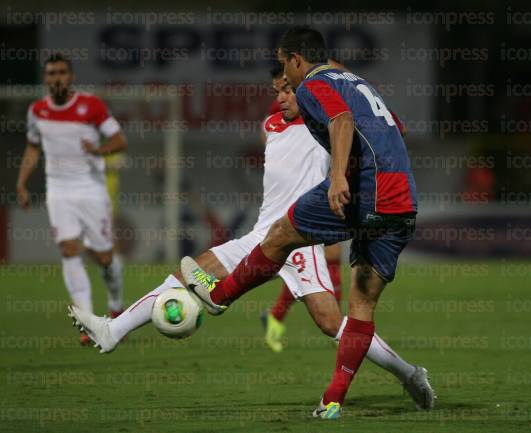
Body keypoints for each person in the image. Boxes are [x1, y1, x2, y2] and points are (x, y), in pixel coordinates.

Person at [68, 63, 433, 411]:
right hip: (263, 235)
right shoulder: (271, 126)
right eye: (278, 92)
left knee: (329, 322)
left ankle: (409, 374)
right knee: (186, 275)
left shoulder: (324, 120)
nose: (284, 97)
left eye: (289, 89)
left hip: (301, 239)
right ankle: (113, 330)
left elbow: (347, 121)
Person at [180, 26, 425, 419]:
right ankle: (332, 401)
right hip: (402, 199)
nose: (283, 78)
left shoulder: (313, 84)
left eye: (283, 65)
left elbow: (342, 121)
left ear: (296, 59)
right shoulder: (357, 82)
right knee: (361, 303)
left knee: (282, 232)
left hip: (364, 191)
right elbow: (397, 126)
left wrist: (341, 175)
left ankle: (220, 295)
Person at [17, 53, 127, 344]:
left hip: (91, 189)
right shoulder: (37, 110)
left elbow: (119, 140)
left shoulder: (91, 105)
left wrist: (97, 151)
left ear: (72, 76)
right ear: (45, 79)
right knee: (68, 250)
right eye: (51, 73)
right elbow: (32, 148)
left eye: (62, 72)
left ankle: (117, 309)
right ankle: (88, 321)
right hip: (59, 191)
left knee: (104, 257)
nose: (57, 78)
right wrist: (22, 183)